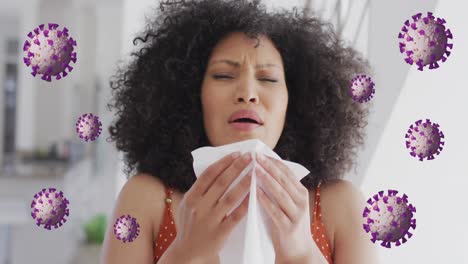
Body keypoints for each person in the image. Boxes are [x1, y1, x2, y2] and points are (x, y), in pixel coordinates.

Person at [101, 0, 378, 263]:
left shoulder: (341, 207)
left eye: (268, 79)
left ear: (295, 100)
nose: (247, 93)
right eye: (223, 76)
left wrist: (301, 254)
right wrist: (187, 253)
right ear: (190, 94)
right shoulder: (146, 199)